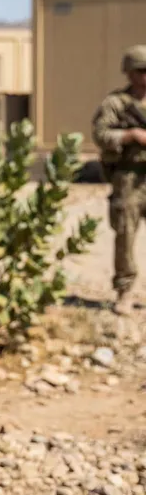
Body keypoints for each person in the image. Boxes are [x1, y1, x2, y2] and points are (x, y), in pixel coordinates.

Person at [92, 43, 146, 316]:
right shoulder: (116, 104)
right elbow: (101, 134)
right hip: (129, 176)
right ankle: (125, 290)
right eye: (141, 71)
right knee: (125, 233)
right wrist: (130, 136)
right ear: (129, 73)